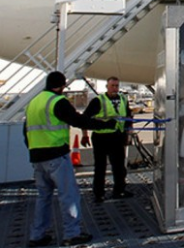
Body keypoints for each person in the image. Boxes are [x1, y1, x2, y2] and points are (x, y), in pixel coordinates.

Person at [24, 71, 116, 247]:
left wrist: (34, 150)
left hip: (37, 157)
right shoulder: (57, 102)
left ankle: (37, 235)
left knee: (43, 197)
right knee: (69, 195)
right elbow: (79, 121)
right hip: (56, 156)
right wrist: (106, 125)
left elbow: (25, 131)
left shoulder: (33, 102)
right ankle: (72, 234)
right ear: (61, 86)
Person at [81, 76, 134, 203]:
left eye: (117, 86)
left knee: (119, 166)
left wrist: (129, 134)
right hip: (101, 138)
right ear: (107, 86)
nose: (115, 88)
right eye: (112, 86)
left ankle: (119, 190)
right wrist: (84, 135)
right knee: (100, 166)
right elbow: (85, 119)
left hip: (117, 136)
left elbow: (128, 117)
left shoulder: (123, 99)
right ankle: (99, 194)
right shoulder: (98, 101)